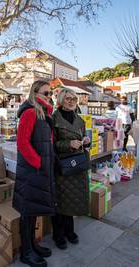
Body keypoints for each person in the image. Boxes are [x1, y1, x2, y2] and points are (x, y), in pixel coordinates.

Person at [13, 80, 55, 267]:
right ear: (35, 94)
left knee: (33, 209)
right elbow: (22, 143)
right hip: (32, 170)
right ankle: (26, 252)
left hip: (39, 170)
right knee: (27, 212)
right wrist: (39, 163)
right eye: (45, 93)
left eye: (50, 93)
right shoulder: (30, 113)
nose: (49, 96)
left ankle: (32, 246)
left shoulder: (43, 113)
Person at [52, 88, 90, 250]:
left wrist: (86, 141)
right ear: (61, 100)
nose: (72, 101)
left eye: (74, 98)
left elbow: (84, 140)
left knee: (73, 198)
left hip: (78, 164)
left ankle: (70, 231)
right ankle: (58, 235)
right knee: (61, 201)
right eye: (68, 98)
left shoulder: (79, 120)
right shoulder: (53, 119)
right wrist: (68, 144)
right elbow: (50, 144)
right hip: (63, 165)